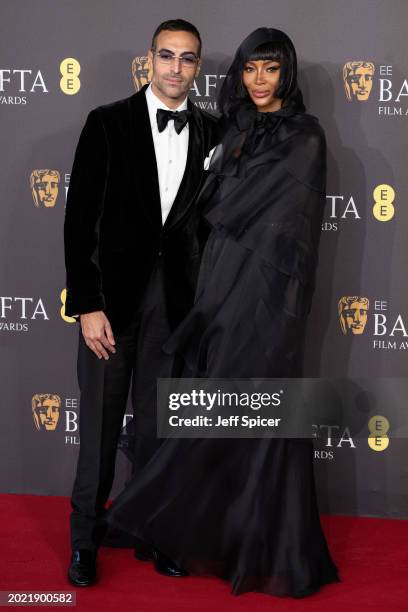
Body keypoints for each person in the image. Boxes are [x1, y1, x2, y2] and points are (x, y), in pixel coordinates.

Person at [105, 27, 339, 598]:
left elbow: (265, 220)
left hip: (268, 300)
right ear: (239, 72)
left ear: (287, 74)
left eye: (272, 69)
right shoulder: (229, 129)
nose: (260, 81)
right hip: (218, 292)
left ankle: (264, 545)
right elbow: (199, 213)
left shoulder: (306, 137)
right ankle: (202, 531)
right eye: (251, 69)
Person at [63, 18, 218, 587]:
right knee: (100, 436)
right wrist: (87, 305)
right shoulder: (106, 124)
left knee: (159, 432)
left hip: (174, 310)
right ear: (148, 59)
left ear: (198, 68)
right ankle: (84, 543)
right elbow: (79, 223)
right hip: (110, 306)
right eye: (168, 56)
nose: (177, 68)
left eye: (188, 59)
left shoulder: (213, 132)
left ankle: (156, 535)